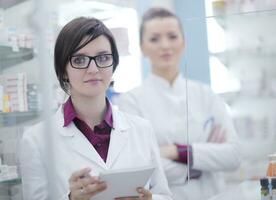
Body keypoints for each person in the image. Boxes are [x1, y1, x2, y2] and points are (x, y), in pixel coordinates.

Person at [19, 17, 172, 200]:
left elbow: (164, 195)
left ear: (113, 64)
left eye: (102, 57)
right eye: (80, 59)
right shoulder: (37, 140)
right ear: (63, 69)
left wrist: (149, 199)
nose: (93, 69)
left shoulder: (141, 129)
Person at [113, 7, 241, 200]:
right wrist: (201, 162)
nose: (165, 45)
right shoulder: (130, 102)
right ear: (142, 47)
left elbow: (233, 156)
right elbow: (141, 168)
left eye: (172, 36)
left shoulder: (206, 95)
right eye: (154, 39)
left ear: (183, 41)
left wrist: (176, 151)